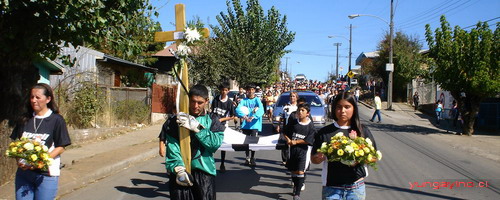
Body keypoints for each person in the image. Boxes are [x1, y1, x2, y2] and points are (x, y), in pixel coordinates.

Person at [311, 91, 378, 200]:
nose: (342, 111)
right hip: (332, 188)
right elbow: (314, 159)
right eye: (339, 107)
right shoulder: (325, 132)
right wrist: (318, 157)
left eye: (347, 107)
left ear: (354, 108)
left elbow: (374, 157)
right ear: (334, 109)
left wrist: (359, 158)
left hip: (356, 188)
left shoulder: (362, 130)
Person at [10, 83, 72, 200]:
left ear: (48, 99)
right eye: (32, 97)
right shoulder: (24, 119)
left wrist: (41, 161)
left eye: (38, 97)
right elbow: (16, 144)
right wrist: (19, 160)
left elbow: (61, 146)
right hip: (24, 173)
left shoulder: (56, 120)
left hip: (46, 174)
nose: (34, 100)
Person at [163, 84, 225, 200]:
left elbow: (214, 144)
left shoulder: (212, 120)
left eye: (199, 102)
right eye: (192, 101)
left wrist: (197, 128)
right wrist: (178, 168)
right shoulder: (176, 120)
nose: (195, 106)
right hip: (181, 173)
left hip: (204, 174)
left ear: (206, 101)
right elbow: (172, 146)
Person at [283, 103, 316, 200]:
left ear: (307, 113)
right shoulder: (293, 122)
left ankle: (297, 194)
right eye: (299, 110)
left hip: (304, 151)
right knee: (294, 171)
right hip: (292, 150)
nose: (300, 112)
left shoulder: (310, 126)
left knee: (301, 171)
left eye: (302, 111)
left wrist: (296, 142)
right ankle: (295, 186)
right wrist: (288, 140)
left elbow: (308, 140)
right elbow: (285, 132)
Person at [235, 84, 264, 167]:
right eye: (249, 90)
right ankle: (247, 157)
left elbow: (261, 110)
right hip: (246, 125)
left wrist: (253, 117)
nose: (250, 91)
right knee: (246, 142)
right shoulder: (244, 101)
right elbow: (237, 109)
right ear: (246, 91)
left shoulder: (257, 100)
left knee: (254, 143)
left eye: (252, 89)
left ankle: (252, 158)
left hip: (255, 125)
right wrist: (244, 116)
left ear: (254, 90)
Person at [211, 82, 236, 173]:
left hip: (223, 125)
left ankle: (222, 163)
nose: (224, 92)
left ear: (228, 91)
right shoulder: (216, 99)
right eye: (222, 90)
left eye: (226, 90)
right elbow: (212, 110)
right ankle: (210, 163)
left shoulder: (229, 102)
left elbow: (233, 116)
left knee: (223, 145)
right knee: (212, 143)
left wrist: (222, 119)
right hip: (213, 124)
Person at [277, 91, 299, 165]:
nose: (292, 98)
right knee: (285, 143)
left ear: (296, 98)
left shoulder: (298, 107)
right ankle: (285, 159)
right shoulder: (286, 106)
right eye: (291, 96)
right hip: (286, 126)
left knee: (294, 143)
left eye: (293, 96)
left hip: (295, 127)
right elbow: (282, 116)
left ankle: (293, 159)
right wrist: (278, 125)